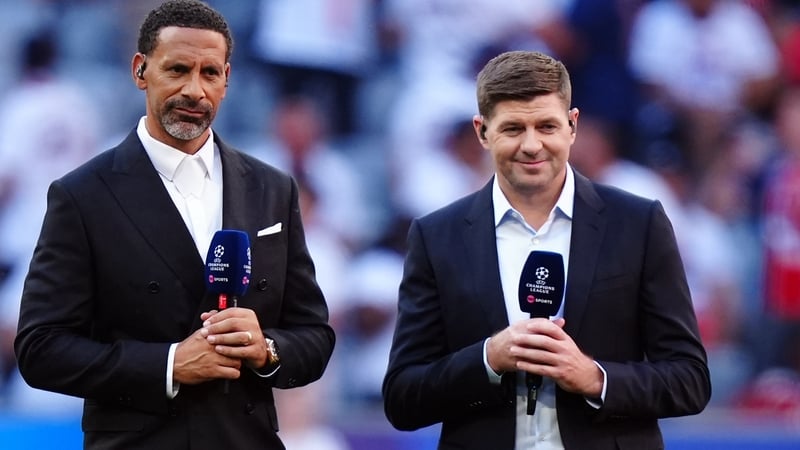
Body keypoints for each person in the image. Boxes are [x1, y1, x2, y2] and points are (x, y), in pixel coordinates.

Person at [13, 1, 335, 449]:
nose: (194, 90)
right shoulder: (82, 194)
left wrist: (267, 350)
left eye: (210, 73)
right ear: (140, 70)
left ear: (227, 79)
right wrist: (169, 364)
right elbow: (40, 349)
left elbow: (315, 336)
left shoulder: (272, 188)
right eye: (178, 69)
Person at [382, 51, 711, 449]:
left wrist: (594, 377)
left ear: (573, 126)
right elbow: (402, 397)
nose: (532, 145)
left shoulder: (639, 223)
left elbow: (690, 380)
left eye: (547, 126)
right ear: (482, 131)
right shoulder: (436, 237)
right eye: (513, 128)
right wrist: (488, 359)